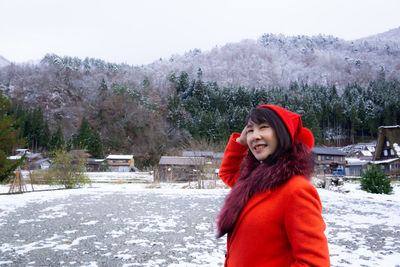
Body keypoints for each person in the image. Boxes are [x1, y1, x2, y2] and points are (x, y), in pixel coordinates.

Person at [216, 105, 330, 267]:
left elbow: (314, 263)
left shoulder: (296, 190)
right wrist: (241, 142)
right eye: (250, 130)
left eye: (263, 127)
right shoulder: (253, 182)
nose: (255, 136)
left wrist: (250, 133)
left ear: (282, 133)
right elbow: (227, 173)